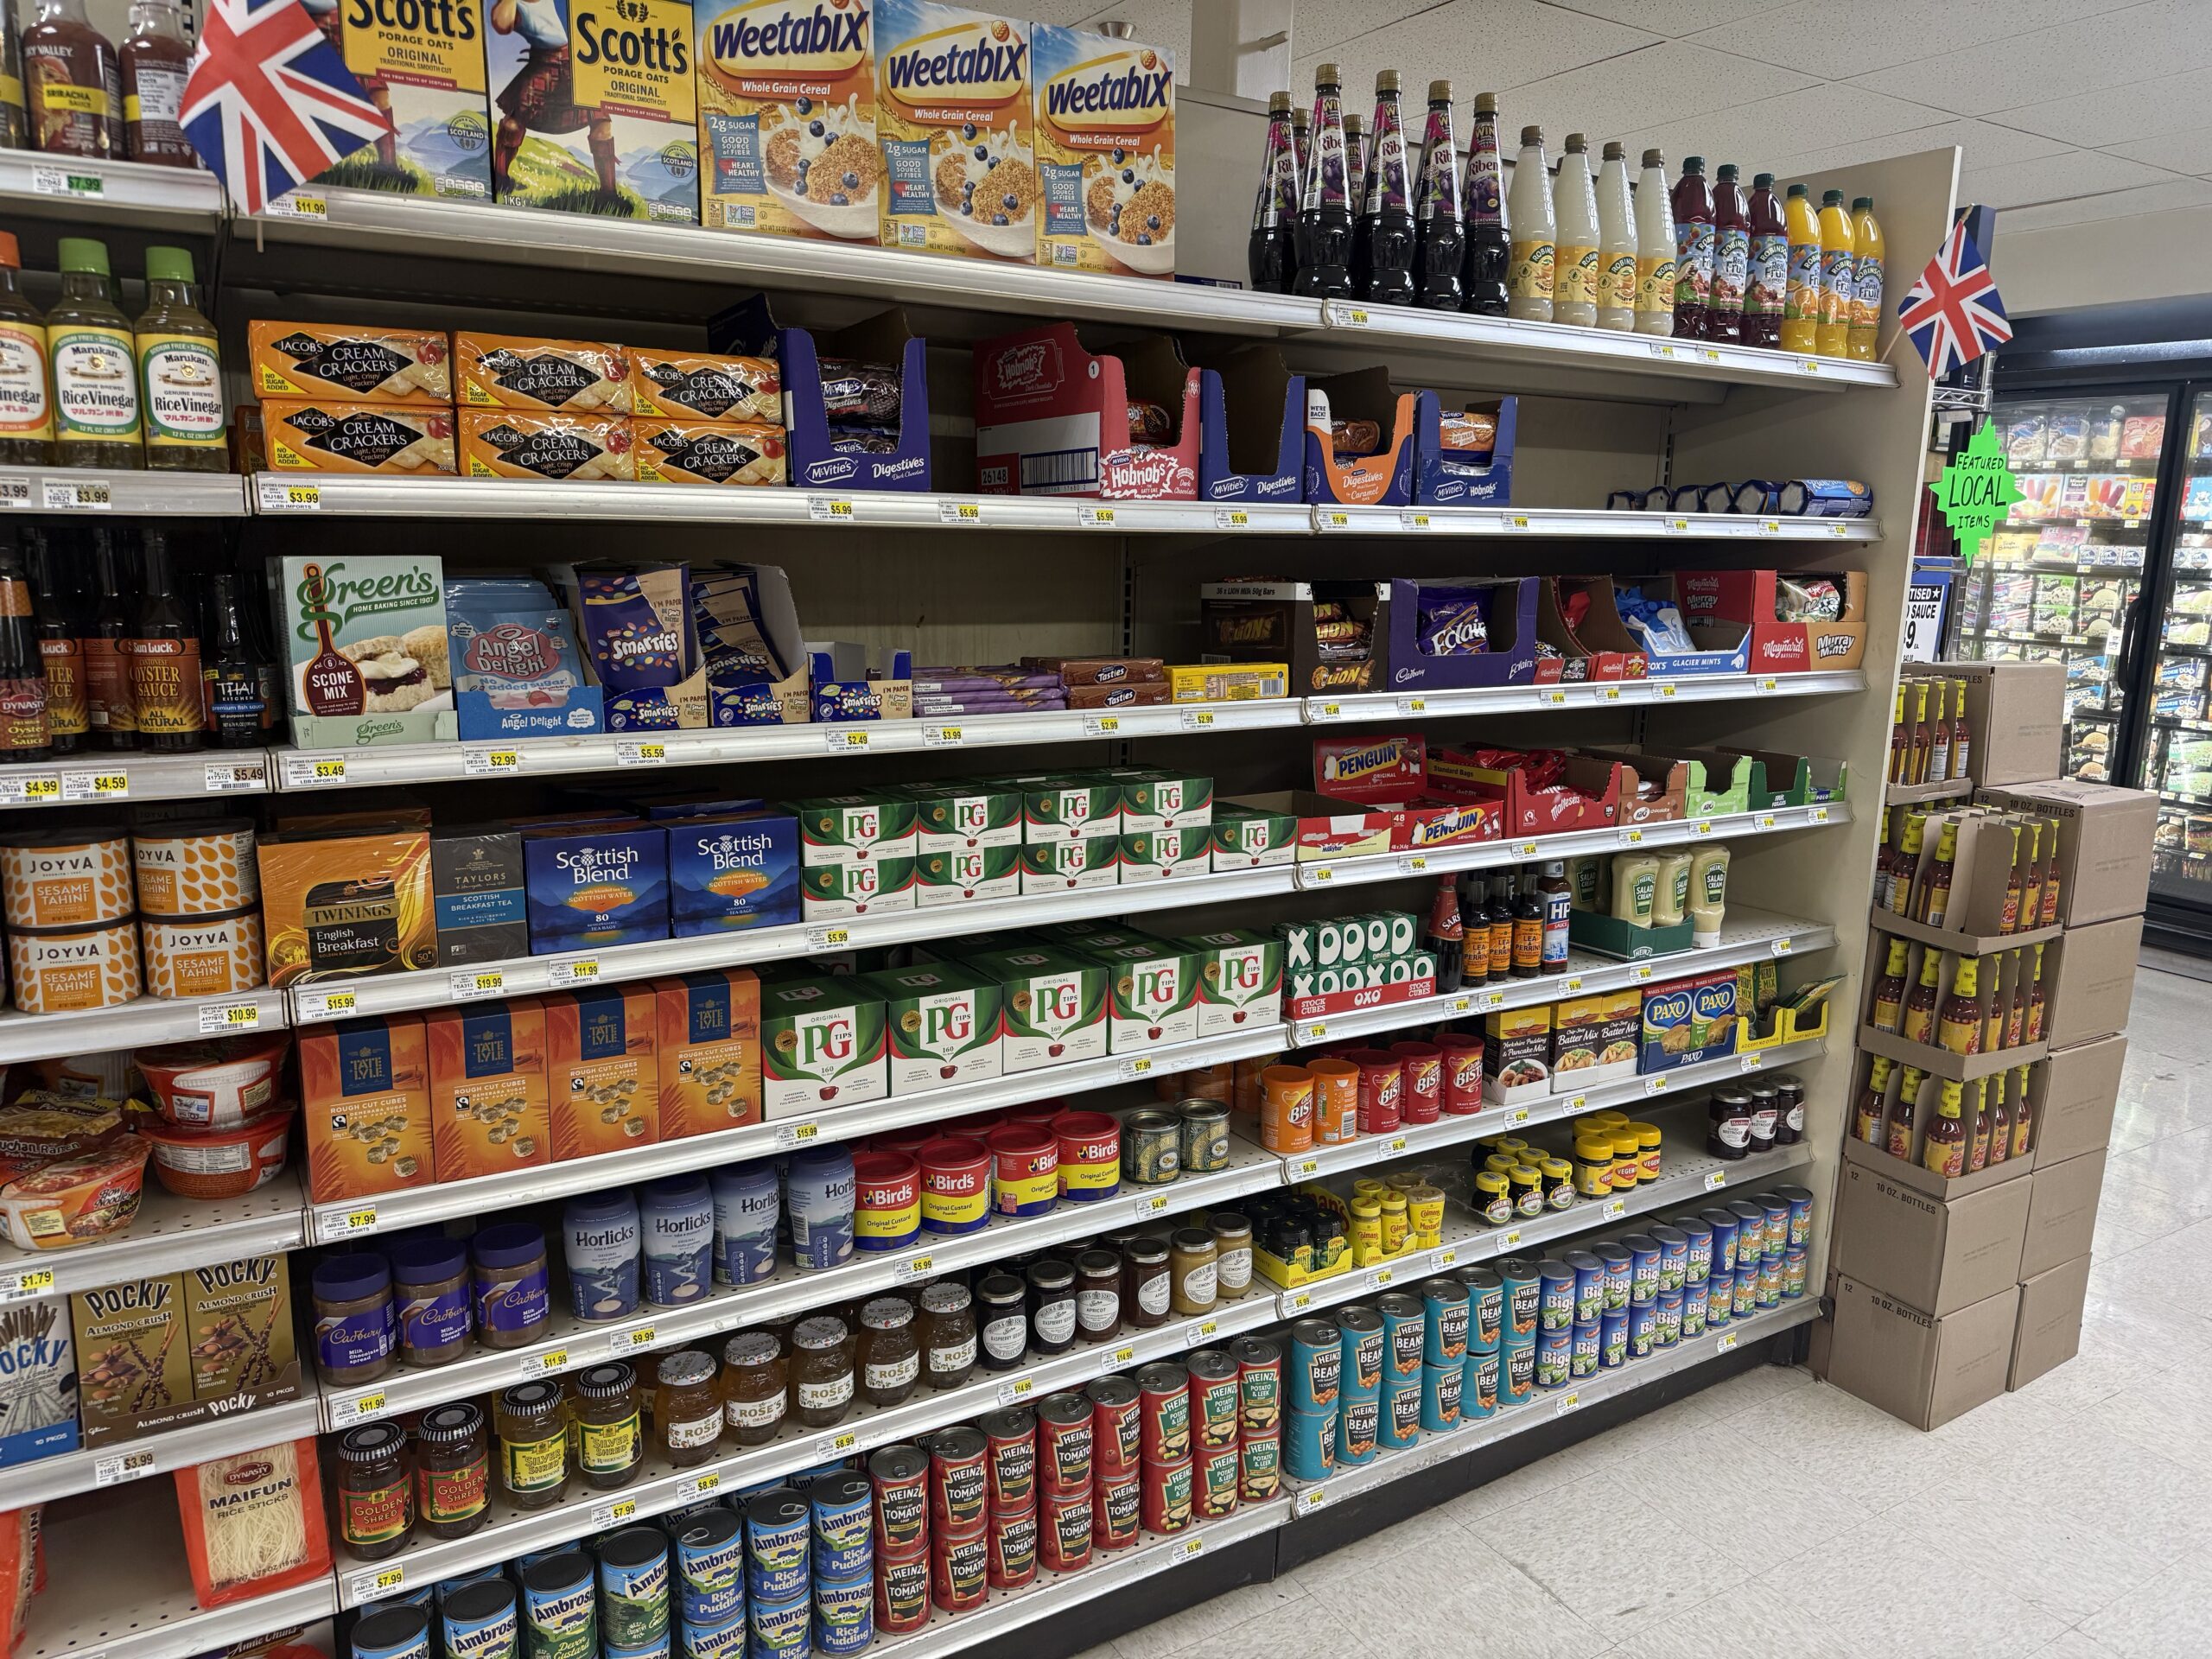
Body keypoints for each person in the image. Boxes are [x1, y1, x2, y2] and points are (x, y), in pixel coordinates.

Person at [490, 0, 615, 203]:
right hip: (544, 65)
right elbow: (501, 24)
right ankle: (501, 179)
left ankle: (609, 195)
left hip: (579, 65)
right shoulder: (517, 5)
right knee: (512, 125)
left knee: (603, 125)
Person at [299, 0, 395, 169]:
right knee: (317, 99)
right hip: (313, 30)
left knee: (379, 97)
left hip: (355, 27)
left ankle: (388, 165)